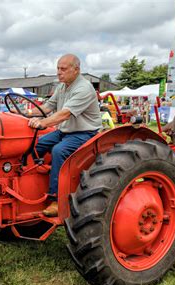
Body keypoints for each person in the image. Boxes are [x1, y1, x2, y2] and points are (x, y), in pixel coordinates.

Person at [21, 54, 101, 217]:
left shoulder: (84, 88)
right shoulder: (62, 86)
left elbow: (65, 114)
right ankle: (29, 184)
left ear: (76, 69)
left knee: (59, 151)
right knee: (35, 144)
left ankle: (56, 199)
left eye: (63, 69)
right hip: (65, 131)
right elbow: (48, 106)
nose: (59, 72)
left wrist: (43, 123)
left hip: (84, 133)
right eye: (58, 68)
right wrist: (22, 113)